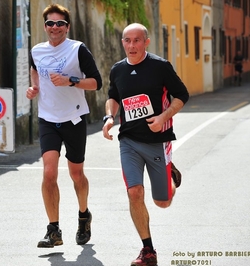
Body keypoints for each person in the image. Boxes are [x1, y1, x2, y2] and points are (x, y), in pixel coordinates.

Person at [102, 23, 189, 265]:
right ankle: (148, 250)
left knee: (162, 202)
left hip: (157, 140)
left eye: (137, 40)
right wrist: (109, 118)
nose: (131, 45)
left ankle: (169, 172)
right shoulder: (117, 70)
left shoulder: (160, 67)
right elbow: (113, 96)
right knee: (134, 192)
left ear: (146, 42)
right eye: (127, 40)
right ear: (122, 43)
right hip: (129, 140)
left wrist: (163, 117)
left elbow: (182, 95)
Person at [26, 4, 102, 248]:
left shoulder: (77, 49)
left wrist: (72, 81)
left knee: (76, 174)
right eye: (50, 23)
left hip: (74, 118)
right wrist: (34, 87)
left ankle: (83, 216)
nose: (55, 27)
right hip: (48, 118)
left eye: (60, 23)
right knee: (49, 173)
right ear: (45, 26)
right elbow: (34, 70)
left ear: (67, 27)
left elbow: (96, 83)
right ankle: (53, 229)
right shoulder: (37, 50)